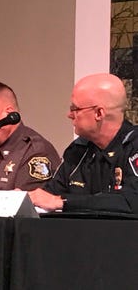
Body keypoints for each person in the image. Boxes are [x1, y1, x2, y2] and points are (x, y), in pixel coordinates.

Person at [29, 73, 138, 213]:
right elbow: (50, 195)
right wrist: (25, 199)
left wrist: (63, 202)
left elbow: (132, 201)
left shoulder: (133, 146)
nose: (69, 115)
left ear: (99, 113)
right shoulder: (78, 150)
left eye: (75, 109)